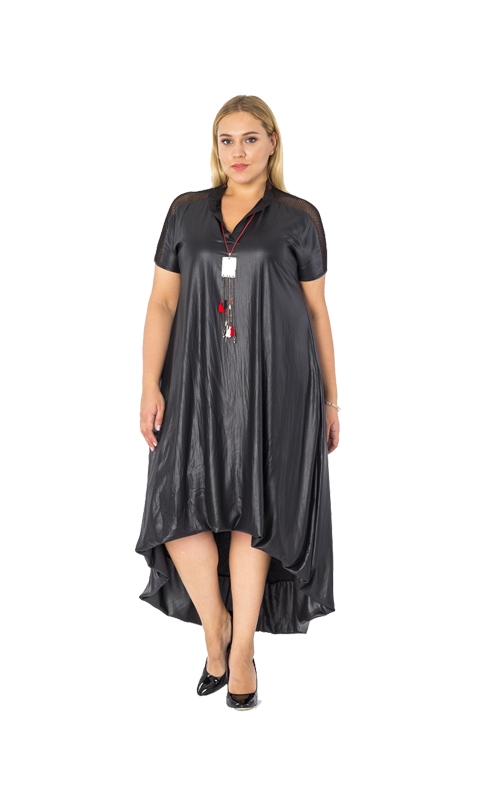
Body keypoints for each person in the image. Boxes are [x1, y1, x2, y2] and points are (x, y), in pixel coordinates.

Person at [136, 95, 340, 710]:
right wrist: (148, 384)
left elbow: (316, 312)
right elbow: (162, 302)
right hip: (195, 378)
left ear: (272, 143)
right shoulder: (186, 212)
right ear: (216, 147)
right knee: (177, 507)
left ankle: (243, 647)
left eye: (251, 139)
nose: (238, 152)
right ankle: (216, 625)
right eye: (227, 140)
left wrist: (333, 399)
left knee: (257, 508)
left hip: (277, 382)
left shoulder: (298, 217)